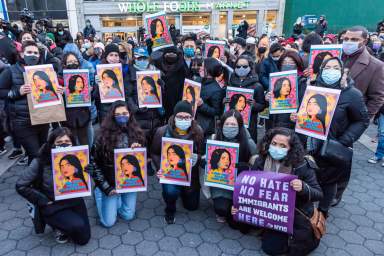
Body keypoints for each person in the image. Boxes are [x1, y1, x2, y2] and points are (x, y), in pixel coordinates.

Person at [232, 127, 323, 255]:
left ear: (291, 148)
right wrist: (239, 207)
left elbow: (318, 193)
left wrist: (303, 187)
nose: (277, 148)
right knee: (260, 240)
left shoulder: (301, 165)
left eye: (282, 146)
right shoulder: (259, 161)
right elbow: (250, 190)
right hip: (268, 212)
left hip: (294, 214)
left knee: (285, 248)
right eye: (274, 144)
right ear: (268, 143)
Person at [302, 57, 369, 216]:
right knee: (308, 176)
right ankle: (304, 210)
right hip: (309, 144)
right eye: (327, 67)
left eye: (335, 68)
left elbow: (362, 120)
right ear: (321, 70)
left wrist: (343, 141)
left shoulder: (352, 94)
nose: (331, 71)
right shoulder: (311, 88)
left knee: (329, 182)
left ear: (342, 72)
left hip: (333, 147)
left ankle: (323, 212)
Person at [16, 127, 91, 245]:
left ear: (73, 144)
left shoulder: (78, 158)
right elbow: (20, 185)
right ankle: (55, 225)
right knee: (78, 227)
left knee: (84, 238)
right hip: (52, 204)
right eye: (59, 143)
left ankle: (66, 222)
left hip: (74, 200)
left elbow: (85, 184)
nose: (63, 145)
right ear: (51, 144)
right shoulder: (40, 161)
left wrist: (89, 172)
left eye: (67, 142)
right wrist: (43, 200)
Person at [0, 41, 63, 164]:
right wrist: (17, 92)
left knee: (42, 153)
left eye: (35, 53)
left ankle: (38, 180)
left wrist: (57, 90)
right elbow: (1, 91)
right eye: (29, 52)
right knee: (35, 155)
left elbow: (50, 91)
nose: (33, 55)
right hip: (23, 123)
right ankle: (33, 181)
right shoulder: (11, 71)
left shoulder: (45, 71)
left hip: (42, 120)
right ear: (22, 54)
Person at [88, 101, 145, 227]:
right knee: (108, 222)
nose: (122, 116)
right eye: (117, 114)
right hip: (109, 182)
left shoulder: (137, 133)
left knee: (128, 215)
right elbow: (93, 164)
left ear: (130, 114)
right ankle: (98, 193)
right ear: (112, 116)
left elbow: (142, 162)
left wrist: (138, 150)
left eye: (125, 113)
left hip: (127, 181)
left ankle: (116, 199)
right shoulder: (101, 136)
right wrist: (105, 187)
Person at [151, 101, 204, 224]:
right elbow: (154, 152)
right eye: (180, 116)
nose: (183, 119)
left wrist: (198, 157)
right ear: (174, 117)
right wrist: (160, 168)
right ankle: (170, 207)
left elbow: (201, 153)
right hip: (170, 172)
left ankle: (182, 192)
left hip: (189, 174)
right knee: (171, 192)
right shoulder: (162, 131)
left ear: (192, 118)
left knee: (192, 206)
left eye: (187, 117)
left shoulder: (198, 131)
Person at [209, 110, 256, 227]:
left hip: (239, 184)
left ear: (240, 126)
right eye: (227, 124)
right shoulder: (215, 138)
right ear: (222, 125)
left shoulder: (249, 143)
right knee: (222, 209)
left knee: (236, 219)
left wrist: (244, 166)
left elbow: (256, 164)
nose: (230, 127)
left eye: (233, 124)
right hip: (221, 181)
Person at [342, 26, 384, 120]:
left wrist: (362, 122)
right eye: (346, 39)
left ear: (364, 41)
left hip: (351, 119)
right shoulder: (334, 56)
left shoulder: (376, 66)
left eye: (354, 39)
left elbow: (377, 98)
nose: (348, 42)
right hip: (327, 114)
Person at [126, 46, 163, 151]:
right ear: (134, 59)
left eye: (144, 58)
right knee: (140, 147)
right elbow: (127, 96)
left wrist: (162, 87)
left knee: (154, 147)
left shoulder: (155, 72)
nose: (142, 61)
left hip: (154, 118)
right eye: (139, 58)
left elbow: (160, 95)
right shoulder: (129, 74)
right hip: (139, 119)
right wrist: (135, 108)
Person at [228, 55, 265, 142]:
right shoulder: (230, 83)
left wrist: (254, 105)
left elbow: (262, 105)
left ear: (250, 67)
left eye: (244, 66)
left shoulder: (257, 86)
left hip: (249, 124)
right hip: (231, 122)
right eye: (238, 66)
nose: (241, 68)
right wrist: (225, 102)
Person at [59, 53, 92, 146]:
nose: (73, 63)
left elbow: (92, 98)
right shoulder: (59, 78)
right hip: (68, 117)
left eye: (75, 61)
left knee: (85, 141)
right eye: (69, 61)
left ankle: (87, 158)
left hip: (83, 116)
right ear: (64, 64)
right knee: (71, 141)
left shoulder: (84, 75)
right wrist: (60, 93)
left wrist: (90, 91)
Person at [95, 43, 131, 122]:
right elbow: (96, 96)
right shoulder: (99, 71)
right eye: (111, 55)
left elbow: (129, 91)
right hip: (105, 110)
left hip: (121, 108)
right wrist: (97, 84)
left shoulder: (124, 69)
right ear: (106, 56)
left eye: (116, 55)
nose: (114, 58)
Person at [151, 46, 189, 119]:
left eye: (173, 53)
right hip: (162, 104)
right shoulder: (159, 67)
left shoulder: (182, 69)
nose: (170, 55)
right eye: (168, 53)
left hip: (178, 103)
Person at [196, 58, 226, 137]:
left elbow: (216, 111)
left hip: (204, 126)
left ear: (209, 69)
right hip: (192, 121)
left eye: (203, 66)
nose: (200, 68)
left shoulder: (217, 90)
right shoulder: (197, 80)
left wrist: (202, 105)